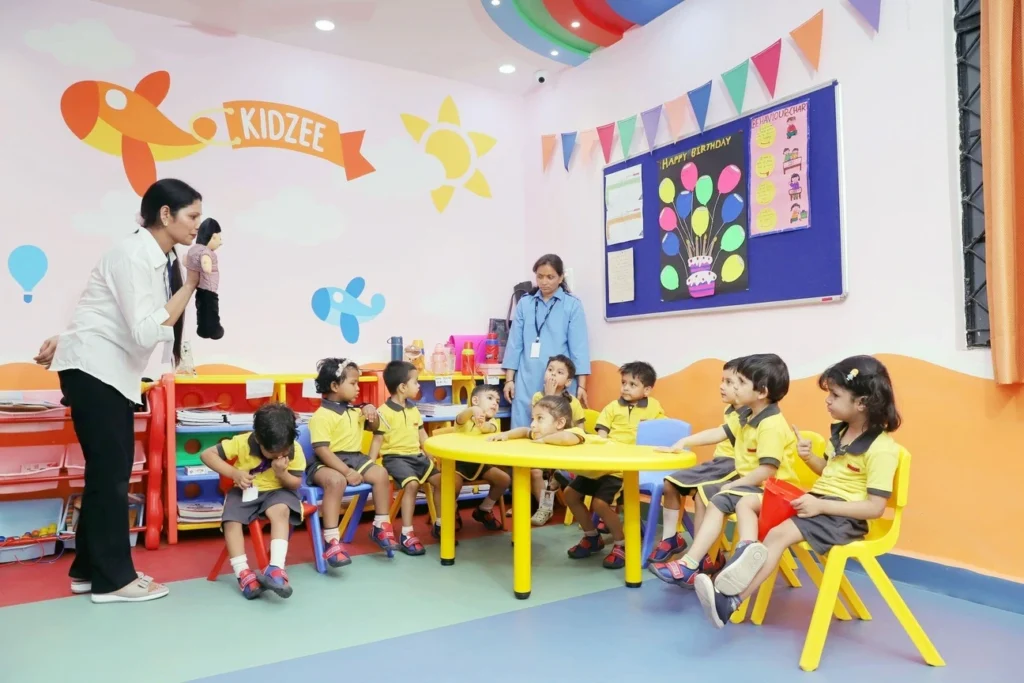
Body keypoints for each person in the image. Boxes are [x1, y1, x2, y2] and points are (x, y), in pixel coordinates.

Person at [34, 178, 202, 603]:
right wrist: (190, 287)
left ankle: (88, 570)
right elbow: (146, 330)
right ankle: (114, 581)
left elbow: (109, 314)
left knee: (106, 475)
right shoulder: (132, 255)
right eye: (192, 216)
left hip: (104, 370)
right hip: (95, 371)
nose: (197, 225)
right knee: (110, 477)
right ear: (165, 215)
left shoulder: (160, 259)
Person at [695, 356, 902, 628]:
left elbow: (874, 508)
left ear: (862, 402)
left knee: (778, 534)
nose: (828, 400)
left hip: (843, 517)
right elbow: (829, 472)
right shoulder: (841, 433)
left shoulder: (882, 449)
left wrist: (822, 507)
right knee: (746, 502)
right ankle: (745, 553)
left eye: (835, 395)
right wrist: (810, 459)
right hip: (819, 502)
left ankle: (729, 603)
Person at [649, 353, 799, 587]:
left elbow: (768, 470)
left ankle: (697, 563)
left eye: (739, 383)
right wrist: (684, 442)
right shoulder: (748, 415)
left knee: (718, 495)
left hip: (774, 493)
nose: (733, 388)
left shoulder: (770, 425)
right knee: (708, 494)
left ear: (761, 392)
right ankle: (696, 562)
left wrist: (734, 484)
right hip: (754, 486)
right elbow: (719, 432)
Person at [199, 403, 306, 599]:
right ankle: (243, 572)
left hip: (278, 491)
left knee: (281, 510)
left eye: (284, 451)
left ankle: (276, 568)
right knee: (231, 520)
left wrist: (282, 473)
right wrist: (234, 473)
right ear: (258, 438)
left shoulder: (294, 449)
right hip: (245, 491)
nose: (280, 456)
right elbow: (206, 454)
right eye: (273, 454)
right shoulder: (243, 442)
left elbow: (295, 484)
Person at [563, 361, 663, 567]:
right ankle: (592, 536)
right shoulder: (612, 407)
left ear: (647, 389)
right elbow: (601, 434)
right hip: (602, 465)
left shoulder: (654, 408)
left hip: (623, 469)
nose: (625, 387)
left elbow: (661, 432)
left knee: (600, 503)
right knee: (570, 495)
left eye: (632, 384)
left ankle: (621, 543)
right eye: (624, 382)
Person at [648, 357, 747, 565]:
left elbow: (718, 433)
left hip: (733, 465)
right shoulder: (731, 410)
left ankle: (705, 555)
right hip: (719, 462)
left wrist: (684, 440)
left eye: (729, 382)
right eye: (723, 380)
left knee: (704, 493)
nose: (722, 386)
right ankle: (670, 539)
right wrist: (682, 442)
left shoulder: (748, 415)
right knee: (671, 482)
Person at [306, 357, 398, 564]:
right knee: (336, 481)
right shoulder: (322, 415)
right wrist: (346, 473)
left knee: (381, 474)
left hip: (355, 458)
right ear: (334, 386)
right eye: (353, 383)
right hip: (325, 461)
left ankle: (380, 526)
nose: (358, 388)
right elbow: (321, 450)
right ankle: (331, 541)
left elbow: (374, 430)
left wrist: (370, 413)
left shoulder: (355, 411)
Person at [503, 254, 591, 428]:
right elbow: (514, 344)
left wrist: (581, 386)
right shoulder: (525, 304)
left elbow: (579, 348)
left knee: (555, 426)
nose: (544, 282)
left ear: (560, 278)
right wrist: (509, 380)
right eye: (540, 276)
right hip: (526, 377)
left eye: (550, 277)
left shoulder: (572, 305)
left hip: (559, 379)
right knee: (523, 427)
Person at [368, 360, 443, 556]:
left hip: (417, 457)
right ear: (402, 387)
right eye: (416, 382)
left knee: (443, 481)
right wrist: (368, 464)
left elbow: (422, 436)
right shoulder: (383, 413)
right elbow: (377, 441)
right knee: (411, 485)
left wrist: (430, 453)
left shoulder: (413, 409)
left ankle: (440, 523)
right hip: (395, 458)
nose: (419, 386)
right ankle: (407, 534)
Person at [429, 385, 510, 541]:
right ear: (475, 400)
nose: (495, 403)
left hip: (479, 465)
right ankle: (442, 521)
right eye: (490, 398)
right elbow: (461, 417)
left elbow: (489, 428)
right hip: (457, 464)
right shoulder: (463, 421)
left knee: (504, 479)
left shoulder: (494, 422)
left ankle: (483, 510)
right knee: (451, 484)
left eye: (498, 401)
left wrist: (482, 424)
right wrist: (473, 411)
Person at [530, 354, 587, 526]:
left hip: (564, 449)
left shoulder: (574, 403)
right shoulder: (538, 398)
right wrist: (548, 396)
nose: (553, 374)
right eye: (550, 370)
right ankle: (544, 507)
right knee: (535, 472)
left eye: (559, 372)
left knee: (558, 475)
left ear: (568, 381)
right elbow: (538, 425)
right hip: (542, 445)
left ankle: (548, 501)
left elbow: (580, 432)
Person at [186, 217, 224, 339]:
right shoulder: (206, 252)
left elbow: (185, 259)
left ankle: (202, 328)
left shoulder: (194, 249)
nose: (221, 242)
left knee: (201, 308)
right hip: (209, 288)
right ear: (212, 237)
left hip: (199, 288)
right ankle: (214, 329)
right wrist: (206, 265)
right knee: (211, 308)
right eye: (219, 238)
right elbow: (205, 261)